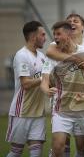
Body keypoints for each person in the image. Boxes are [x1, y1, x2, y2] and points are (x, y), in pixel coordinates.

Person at [41, 21, 84, 157]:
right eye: (54, 35)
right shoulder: (52, 56)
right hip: (62, 107)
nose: (55, 38)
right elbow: (44, 80)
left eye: (59, 34)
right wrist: (46, 90)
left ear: (69, 34)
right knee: (58, 146)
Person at [5, 21, 46, 157]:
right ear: (34, 37)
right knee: (16, 151)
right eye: (42, 34)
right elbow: (26, 84)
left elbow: (48, 80)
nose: (45, 38)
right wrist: (44, 79)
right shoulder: (22, 55)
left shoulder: (42, 57)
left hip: (38, 112)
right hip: (21, 111)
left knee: (37, 150)